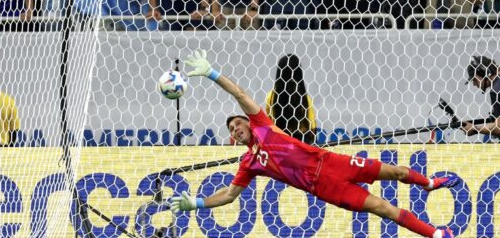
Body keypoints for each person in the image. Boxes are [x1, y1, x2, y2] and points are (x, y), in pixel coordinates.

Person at [171, 50, 459, 238]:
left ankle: (429, 183)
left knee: (395, 172)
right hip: (324, 187)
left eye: (237, 124)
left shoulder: (263, 124)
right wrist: (195, 203)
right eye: (232, 130)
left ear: (248, 123)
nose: (235, 129)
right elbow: (228, 195)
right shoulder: (250, 163)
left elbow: (239, 93)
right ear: (234, 139)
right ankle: (435, 234)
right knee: (382, 207)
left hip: (332, 161)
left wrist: (211, 74)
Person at [265, 54, 316, 144]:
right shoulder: (305, 98)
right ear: (299, 73)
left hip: (280, 141)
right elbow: (312, 129)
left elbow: (269, 122)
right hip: (301, 142)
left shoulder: (271, 96)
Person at [462, 55, 500, 137]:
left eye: (475, 79)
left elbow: (498, 128)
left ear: (485, 73)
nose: (474, 84)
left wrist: (474, 128)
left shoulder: (496, 90)